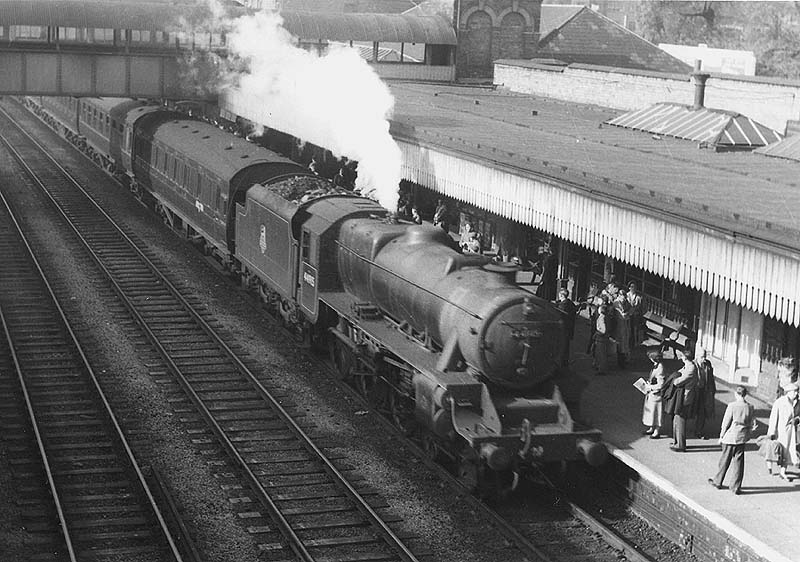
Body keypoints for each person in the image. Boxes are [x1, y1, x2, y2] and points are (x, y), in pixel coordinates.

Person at [708, 386, 757, 495]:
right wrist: (748, 433)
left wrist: (721, 436)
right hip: (741, 438)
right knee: (738, 463)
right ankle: (735, 486)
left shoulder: (732, 406)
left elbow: (726, 423)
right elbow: (754, 424)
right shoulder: (750, 407)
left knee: (724, 460)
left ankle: (718, 481)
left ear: (736, 394)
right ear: (745, 395)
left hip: (730, 437)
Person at [766, 382, 800, 480]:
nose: (796, 393)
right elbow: (773, 417)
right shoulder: (780, 402)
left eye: (797, 391)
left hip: (790, 432)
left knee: (787, 452)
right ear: (788, 392)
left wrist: (797, 420)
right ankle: (770, 465)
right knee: (776, 450)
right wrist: (771, 431)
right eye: (795, 391)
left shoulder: (796, 402)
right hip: (779, 431)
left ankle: (783, 472)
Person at [666, 348, 698, 452]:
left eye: (682, 356)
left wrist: (673, 379)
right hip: (681, 396)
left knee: (680, 420)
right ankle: (676, 441)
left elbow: (678, 382)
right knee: (676, 419)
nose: (681, 357)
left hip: (684, 397)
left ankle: (680, 444)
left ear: (685, 357)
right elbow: (680, 372)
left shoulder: (691, 368)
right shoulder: (688, 366)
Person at [694, 348, 717, 439]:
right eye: (702, 357)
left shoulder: (708, 364)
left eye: (705, 356)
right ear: (697, 356)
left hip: (704, 392)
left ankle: (699, 431)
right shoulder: (693, 364)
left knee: (702, 412)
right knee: (691, 411)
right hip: (695, 391)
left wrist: (712, 390)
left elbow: (711, 378)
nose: (704, 359)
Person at [642, 351, 666, 438]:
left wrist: (650, 387)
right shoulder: (656, 366)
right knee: (651, 412)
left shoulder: (660, 369)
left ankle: (656, 430)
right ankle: (651, 428)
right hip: (652, 394)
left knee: (656, 412)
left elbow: (661, 384)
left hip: (656, 394)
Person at [556, 289, 577, 368]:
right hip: (569, 328)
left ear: (561, 295)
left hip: (563, 329)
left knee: (562, 346)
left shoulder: (562, 306)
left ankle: (561, 363)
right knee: (566, 347)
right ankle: (565, 362)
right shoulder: (571, 303)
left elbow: (559, 316)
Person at [592, 303, 614, 376]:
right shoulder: (607, 317)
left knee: (601, 354)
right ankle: (602, 368)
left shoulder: (601, 318)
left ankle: (601, 369)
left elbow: (603, 330)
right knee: (604, 353)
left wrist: (597, 334)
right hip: (605, 338)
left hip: (600, 339)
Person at [627, 282, 644, 348]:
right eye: (631, 287)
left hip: (635, 315)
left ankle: (634, 343)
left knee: (635, 329)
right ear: (629, 287)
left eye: (634, 287)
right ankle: (628, 342)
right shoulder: (627, 295)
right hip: (628, 314)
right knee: (628, 328)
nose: (633, 288)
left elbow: (639, 307)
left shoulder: (638, 297)